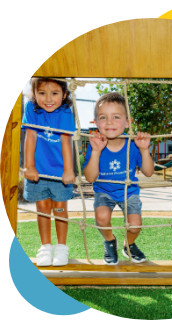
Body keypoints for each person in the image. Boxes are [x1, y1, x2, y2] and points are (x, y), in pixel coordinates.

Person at [83, 92, 154, 265]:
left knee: (135, 225)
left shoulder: (133, 144)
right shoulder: (96, 144)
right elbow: (90, 177)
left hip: (128, 191)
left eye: (116, 116)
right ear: (96, 122)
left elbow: (149, 172)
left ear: (127, 122)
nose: (109, 122)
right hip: (104, 191)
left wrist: (144, 150)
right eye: (103, 117)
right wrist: (97, 152)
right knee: (101, 217)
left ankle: (128, 245)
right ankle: (109, 242)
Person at [22, 78, 75, 267]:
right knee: (43, 209)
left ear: (64, 94)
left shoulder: (65, 111)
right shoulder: (31, 108)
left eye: (55, 93)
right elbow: (31, 135)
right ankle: (45, 246)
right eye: (42, 93)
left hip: (59, 172)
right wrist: (29, 166)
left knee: (60, 208)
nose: (48, 98)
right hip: (39, 171)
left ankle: (61, 247)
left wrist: (69, 170)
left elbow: (66, 141)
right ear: (34, 93)